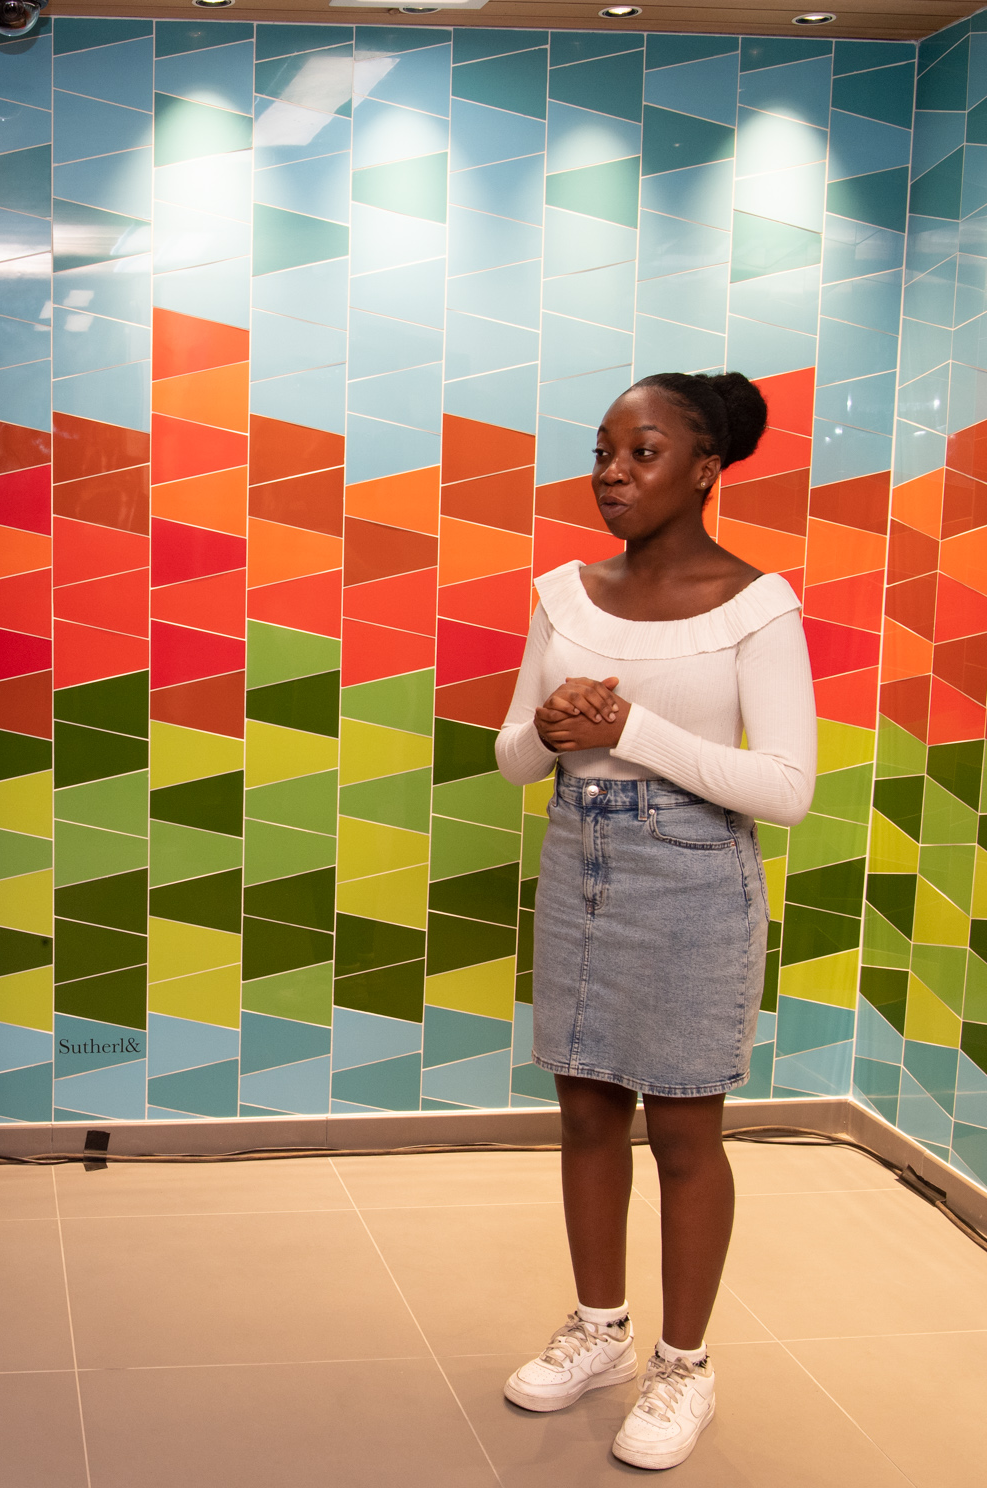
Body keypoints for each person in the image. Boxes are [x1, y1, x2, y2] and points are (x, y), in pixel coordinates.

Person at [493, 372, 816, 1470]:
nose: (612, 474)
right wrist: (548, 728)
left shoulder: (755, 606)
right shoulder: (562, 595)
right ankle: (599, 1332)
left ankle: (684, 1367)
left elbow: (784, 789)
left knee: (682, 1133)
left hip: (692, 876)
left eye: (641, 453)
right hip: (577, 860)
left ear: (706, 468)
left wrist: (628, 729)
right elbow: (512, 759)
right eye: (602, 453)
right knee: (586, 1112)